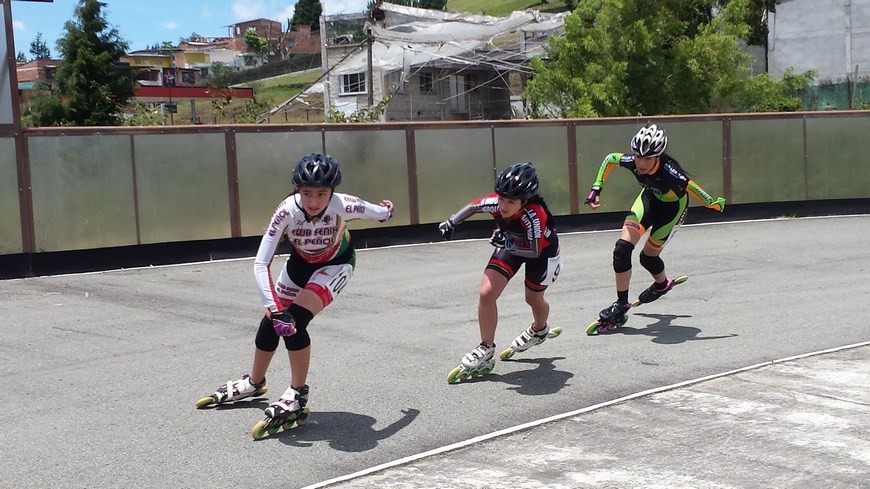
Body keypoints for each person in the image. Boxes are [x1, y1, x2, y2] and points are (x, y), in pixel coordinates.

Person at [198, 152, 394, 430]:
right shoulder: (287, 211)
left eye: (321, 194)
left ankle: (297, 393)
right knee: (272, 320)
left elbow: (379, 213)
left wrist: (387, 210)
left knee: (293, 322)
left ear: (332, 192)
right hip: (300, 263)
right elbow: (260, 263)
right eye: (307, 193)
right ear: (297, 191)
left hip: (336, 264)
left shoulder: (345, 205)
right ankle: (254, 382)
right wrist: (275, 309)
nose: (313, 202)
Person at [584, 123, 725, 330]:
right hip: (649, 200)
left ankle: (662, 284)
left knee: (647, 257)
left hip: (672, 210)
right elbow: (609, 159)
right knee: (622, 248)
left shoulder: (671, 173)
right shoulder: (633, 161)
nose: (641, 163)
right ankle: (621, 302)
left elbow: (694, 189)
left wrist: (713, 203)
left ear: (658, 156)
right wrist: (597, 187)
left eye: (647, 158)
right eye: (638, 156)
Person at [439, 162, 562, 381]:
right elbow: (474, 206)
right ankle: (486, 346)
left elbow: (533, 250)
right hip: (511, 244)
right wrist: (452, 221)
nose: (503, 206)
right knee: (487, 293)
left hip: (541, 252)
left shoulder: (535, 215)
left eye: (510, 202)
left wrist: (507, 242)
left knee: (533, 298)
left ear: (524, 202)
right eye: (501, 199)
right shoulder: (497, 204)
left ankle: (540, 329)